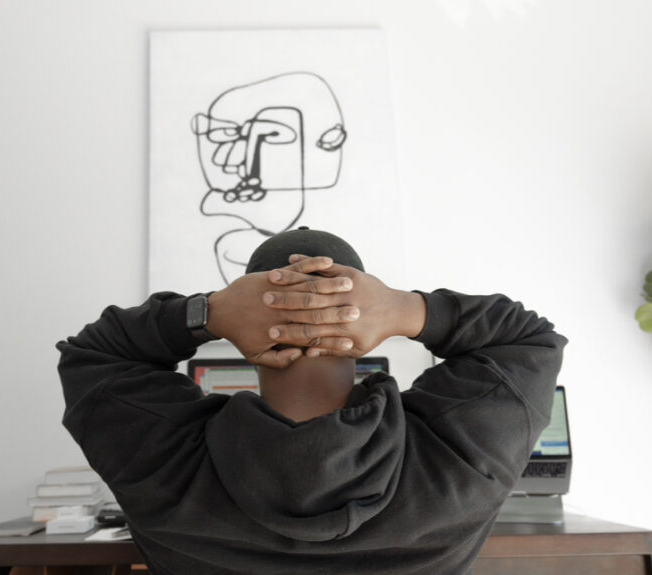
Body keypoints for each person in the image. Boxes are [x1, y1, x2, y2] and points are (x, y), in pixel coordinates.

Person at [57, 228, 567, 574]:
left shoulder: (161, 464)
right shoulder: (461, 462)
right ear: (364, 321)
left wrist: (207, 314)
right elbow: (529, 341)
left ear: (244, 326)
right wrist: (404, 309)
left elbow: (94, 354)